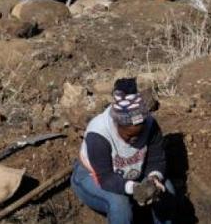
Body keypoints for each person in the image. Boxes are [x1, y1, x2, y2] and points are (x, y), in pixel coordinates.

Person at [72, 77, 176, 224]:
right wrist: (134, 188)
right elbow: (106, 178)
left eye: (139, 134)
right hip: (93, 177)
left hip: (131, 174)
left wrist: (154, 178)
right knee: (120, 204)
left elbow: (156, 160)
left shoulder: (150, 126)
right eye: (129, 136)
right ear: (116, 124)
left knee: (166, 192)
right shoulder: (98, 134)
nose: (135, 140)